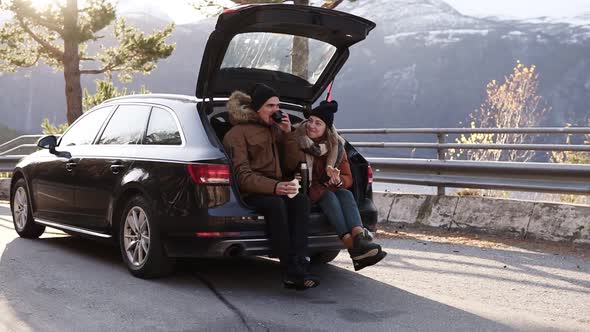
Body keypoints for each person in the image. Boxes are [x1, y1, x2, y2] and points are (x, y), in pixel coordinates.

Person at [223, 83, 319, 290]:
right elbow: (242, 177)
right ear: (256, 108)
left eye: (277, 106)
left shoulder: (275, 131)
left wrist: (288, 135)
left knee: (301, 200)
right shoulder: (236, 134)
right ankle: (290, 269)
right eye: (270, 106)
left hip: (276, 187)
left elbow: (290, 164)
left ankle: (300, 265)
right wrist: (276, 187)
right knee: (276, 203)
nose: (276, 110)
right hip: (251, 191)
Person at [284, 100, 387, 271]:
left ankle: (358, 239)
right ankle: (353, 247)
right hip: (306, 190)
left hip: (327, 188)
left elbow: (348, 178)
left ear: (327, 128)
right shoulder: (297, 139)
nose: (312, 126)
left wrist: (338, 180)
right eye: (310, 120)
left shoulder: (336, 145)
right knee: (329, 195)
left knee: (345, 193)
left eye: (318, 123)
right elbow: (287, 165)